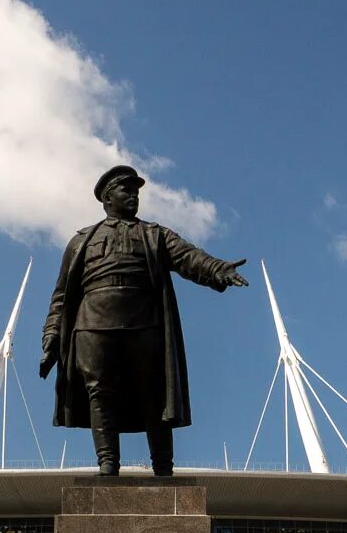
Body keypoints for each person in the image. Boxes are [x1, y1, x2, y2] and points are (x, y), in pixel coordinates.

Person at [40, 165, 249, 476]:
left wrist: (217, 268)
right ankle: (108, 463)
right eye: (127, 191)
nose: (134, 196)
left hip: (144, 320)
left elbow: (188, 256)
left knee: (154, 391)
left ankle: (163, 467)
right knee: (99, 392)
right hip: (92, 323)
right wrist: (52, 336)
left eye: (136, 191)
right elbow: (61, 296)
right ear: (107, 198)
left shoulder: (154, 234)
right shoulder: (81, 241)